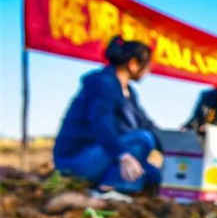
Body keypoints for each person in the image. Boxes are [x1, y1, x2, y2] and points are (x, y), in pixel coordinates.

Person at [54, 36, 160, 199]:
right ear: (133, 64)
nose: (148, 71)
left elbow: (146, 124)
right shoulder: (102, 83)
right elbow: (101, 123)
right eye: (147, 66)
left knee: (154, 174)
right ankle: (110, 190)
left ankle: (115, 184)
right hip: (78, 158)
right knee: (143, 139)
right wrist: (123, 155)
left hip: (104, 155)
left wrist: (178, 140)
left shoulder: (129, 93)